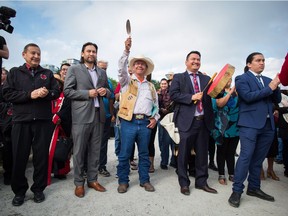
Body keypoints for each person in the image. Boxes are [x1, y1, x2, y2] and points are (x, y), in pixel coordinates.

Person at [2, 43, 60, 206]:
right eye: (33, 53)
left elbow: (56, 92)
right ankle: (19, 192)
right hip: (21, 121)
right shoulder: (14, 72)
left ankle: (38, 189)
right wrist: (30, 94)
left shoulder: (47, 73)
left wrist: (47, 93)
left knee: (41, 157)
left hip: (43, 122)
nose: (36, 56)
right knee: (19, 157)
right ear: (24, 54)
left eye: (39, 54)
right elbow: (7, 94)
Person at [228, 52, 281, 208]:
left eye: (263, 60)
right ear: (249, 64)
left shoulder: (268, 80)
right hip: (249, 125)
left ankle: (254, 188)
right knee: (245, 157)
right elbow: (248, 97)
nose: (262, 63)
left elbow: (276, 100)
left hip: (267, 125)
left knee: (258, 159)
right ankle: (237, 191)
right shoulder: (241, 79)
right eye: (258, 60)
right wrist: (270, 88)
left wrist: (276, 86)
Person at [64, 42, 111, 198]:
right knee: (78, 151)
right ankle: (79, 183)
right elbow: (68, 91)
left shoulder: (102, 73)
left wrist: (106, 91)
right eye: (88, 51)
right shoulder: (74, 69)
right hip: (81, 116)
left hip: (99, 115)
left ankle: (92, 180)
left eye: (94, 51)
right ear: (83, 53)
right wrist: (86, 94)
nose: (91, 53)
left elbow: (109, 92)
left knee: (95, 151)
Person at [169, 50, 217, 196]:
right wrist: (191, 97)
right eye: (193, 59)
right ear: (186, 62)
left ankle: (202, 182)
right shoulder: (178, 77)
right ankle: (184, 183)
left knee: (202, 154)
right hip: (186, 122)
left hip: (203, 122)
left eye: (198, 59)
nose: (196, 61)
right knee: (183, 154)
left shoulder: (206, 79)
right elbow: (174, 95)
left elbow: (213, 95)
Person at [116, 37, 159, 193]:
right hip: (128, 121)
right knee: (125, 153)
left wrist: (155, 118)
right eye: (136, 63)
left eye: (142, 63)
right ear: (132, 68)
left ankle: (144, 180)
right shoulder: (126, 81)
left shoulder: (151, 87)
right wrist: (126, 50)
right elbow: (121, 68)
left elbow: (156, 107)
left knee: (144, 153)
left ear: (146, 69)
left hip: (145, 123)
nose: (139, 65)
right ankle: (123, 181)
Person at [211, 78, 239, 185]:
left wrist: (234, 92)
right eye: (226, 78)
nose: (229, 80)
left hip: (235, 127)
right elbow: (219, 104)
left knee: (231, 152)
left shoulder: (237, 93)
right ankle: (221, 174)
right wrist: (230, 93)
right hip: (222, 127)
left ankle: (232, 173)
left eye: (230, 78)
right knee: (221, 151)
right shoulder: (217, 93)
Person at [47, 66, 72, 184]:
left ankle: (60, 171)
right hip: (48, 126)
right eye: (54, 82)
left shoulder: (65, 96)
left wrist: (59, 116)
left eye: (58, 83)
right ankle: (48, 171)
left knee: (60, 149)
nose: (56, 85)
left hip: (61, 126)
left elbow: (67, 109)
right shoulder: (48, 95)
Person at [97, 60, 115, 177]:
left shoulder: (108, 82)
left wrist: (112, 114)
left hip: (106, 116)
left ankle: (101, 166)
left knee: (103, 143)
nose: (103, 71)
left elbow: (111, 98)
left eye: (105, 69)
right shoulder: (91, 80)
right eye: (101, 68)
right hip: (93, 115)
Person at [158, 78, 177, 170]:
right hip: (162, 120)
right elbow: (155, 105)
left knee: (175, 141)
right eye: (162, 84)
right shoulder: (157, 94)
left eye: (165, 84)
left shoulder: (172, 94)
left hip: (172, 119)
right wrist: (161, 110)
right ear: (160, 85)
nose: (164, 85)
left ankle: (174, 161)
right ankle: (164, 162)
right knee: (163, 143)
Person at [0, 67, 13, 185]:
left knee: (12, 150)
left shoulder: (9, 87)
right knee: (6, 151)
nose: (3, 75)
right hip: (3, 123)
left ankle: (12, 173)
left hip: (12, 123)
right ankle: (8, 173)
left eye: (4, 73)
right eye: (1, 73)